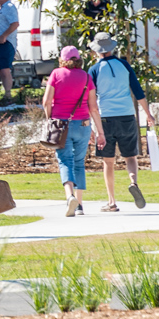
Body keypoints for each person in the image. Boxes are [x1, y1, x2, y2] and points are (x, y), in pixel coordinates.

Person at [88, 32, 153, 212]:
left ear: (97, 50)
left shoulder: (94, 70)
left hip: (105, 118)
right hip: (126, 115)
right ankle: (133, 182)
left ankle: (112, 202)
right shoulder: (124, 65)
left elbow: (90, 98)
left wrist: (89, 123)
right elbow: (138, 91)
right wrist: (148, 113)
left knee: (108, 162)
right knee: (130, 156)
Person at [43, 46, 106, 217]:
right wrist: (100, 132)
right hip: (83, 126)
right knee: (79, 162)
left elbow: (46, 101)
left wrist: (49, 120)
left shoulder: (56, 74)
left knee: (65, 161)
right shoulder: (86, 77)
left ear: (62, 59)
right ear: (78, 59)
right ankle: (79, 205)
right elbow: (93, 108)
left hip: (61, 126)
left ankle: (69, 196)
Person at [0, 0, 20, 103]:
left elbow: (15, 24)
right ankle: (6, 94)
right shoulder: (2, 9)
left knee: (5, 69)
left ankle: (8, 94)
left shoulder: (9, 7)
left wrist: (4, 35)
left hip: (6, 42)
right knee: (1, 69)